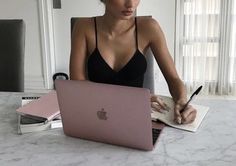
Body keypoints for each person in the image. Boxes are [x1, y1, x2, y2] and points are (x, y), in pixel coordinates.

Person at [70, 0, 197, 124]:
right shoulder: (84, 27)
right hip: (96, 116)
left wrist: (182, 100)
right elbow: (77, 85)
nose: (131, 4)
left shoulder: (149, 28)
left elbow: (173, 79)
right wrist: (134, 99)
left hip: (135, 119)